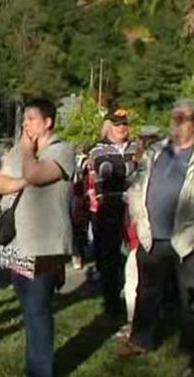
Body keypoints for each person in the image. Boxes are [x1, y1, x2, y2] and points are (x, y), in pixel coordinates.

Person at [0, 98, 75, 377]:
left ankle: (41, 371)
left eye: (31, 119)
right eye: (24, 119)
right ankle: (34, 365)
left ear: (48, 122)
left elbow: (37, 174)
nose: (26, 124)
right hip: (16, 243)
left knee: (39, 308)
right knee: (28, 308)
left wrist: (28, 154)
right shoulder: (18, 150)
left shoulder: (61, 150)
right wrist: (20, 180)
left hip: (45, 244)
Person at [116, 99, 194, 377]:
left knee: (190, 298)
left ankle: (189, 352)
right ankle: (141, 340)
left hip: (188, 240)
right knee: (146, 292)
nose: (177, 122)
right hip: (153, 235)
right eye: (175, 116)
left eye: (183, 117)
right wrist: (138, 215)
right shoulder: (157, 151)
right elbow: (137, 185)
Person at [87, 108, 138, 317]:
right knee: (109, 257)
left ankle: (130, 296)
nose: (122, 128)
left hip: (133, 206)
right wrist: (134, 165)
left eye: (124, 124)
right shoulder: (98, 150)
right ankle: (112, 304)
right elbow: (106, 171)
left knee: (132, 255)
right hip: (109, 206)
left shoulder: (135, 147)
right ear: (109, 127)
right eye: (117, 125)